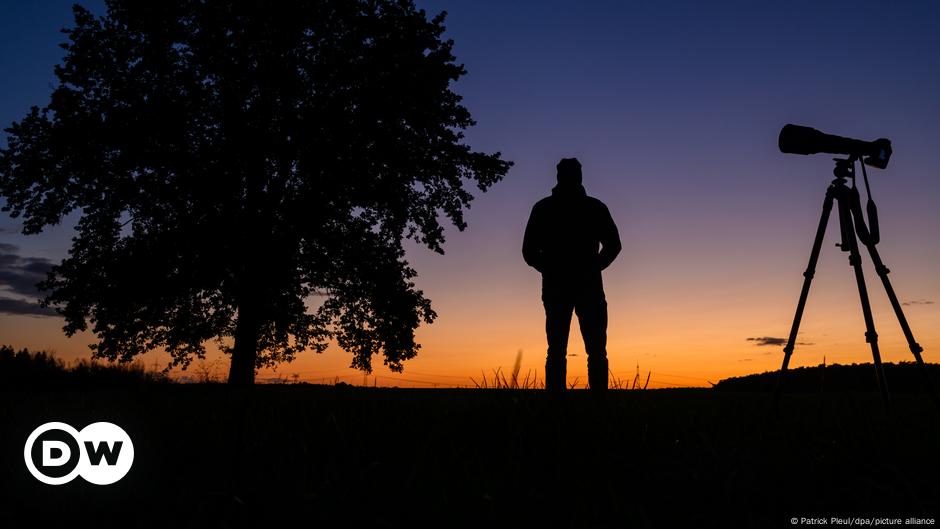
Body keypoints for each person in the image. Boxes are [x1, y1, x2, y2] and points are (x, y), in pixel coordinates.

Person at [522, 158, 621, 393]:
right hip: (573, 285)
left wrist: (593, 267)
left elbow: (614, 245)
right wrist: (590, 267)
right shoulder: (586, 207)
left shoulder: (550, 208)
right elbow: (529, 251)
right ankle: (587, 405)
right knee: (570, 350)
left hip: (577, 285)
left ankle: (575, 405)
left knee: (580, 350)